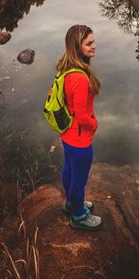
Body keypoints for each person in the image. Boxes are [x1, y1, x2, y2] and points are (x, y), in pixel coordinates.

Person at [56, 24, 102, 230]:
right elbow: (83, 116)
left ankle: (70, 203)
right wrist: (94, 124)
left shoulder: (67, 69)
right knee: (79, 179)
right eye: (89, 43)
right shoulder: (80, 79)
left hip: (67, 133)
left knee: (69, 169)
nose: (94, 46)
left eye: (93, 41)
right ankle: (78, 215)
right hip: (80, 138)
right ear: (77, 47)